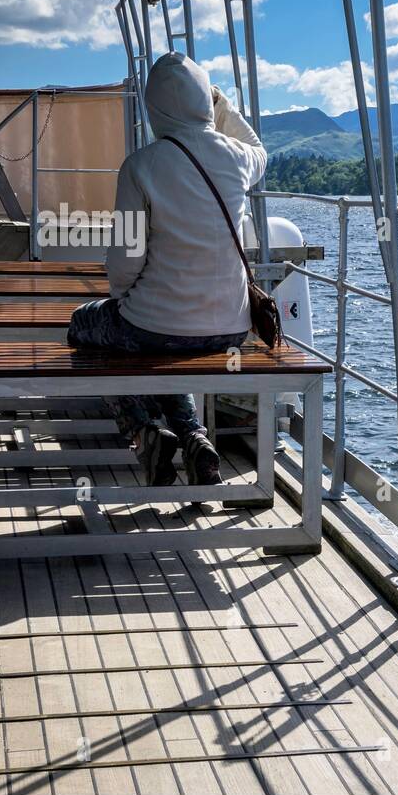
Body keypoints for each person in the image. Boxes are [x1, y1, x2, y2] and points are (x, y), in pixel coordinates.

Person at [68, 52, 267, 487]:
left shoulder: (141, 166)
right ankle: (195, 438)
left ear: (153, 106)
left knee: (86, 327)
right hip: (231, 329)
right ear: (202, 101)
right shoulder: (235, 158)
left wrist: (125, 299)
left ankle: (144, 432)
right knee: (162, 350)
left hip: (155, 326)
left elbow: (125, 262)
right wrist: (224, 108)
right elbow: (259, 150)